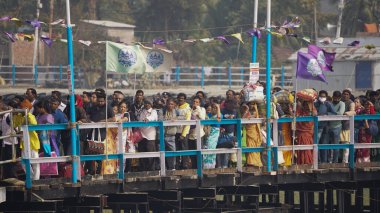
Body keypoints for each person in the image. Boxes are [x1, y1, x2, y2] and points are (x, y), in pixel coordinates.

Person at [11, 99, 40, 180]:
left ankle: (36, 179)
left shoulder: (31, 116)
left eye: (22, 108)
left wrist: (27, 114)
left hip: (32, 143)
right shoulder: (19, 116)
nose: (20, 109)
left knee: (35, 163)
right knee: (24, 162)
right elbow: (14, 124)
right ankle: (30, 177)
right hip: (24, 143)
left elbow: (34, 124)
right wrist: (16, 114)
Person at [314, 90, 336, 163]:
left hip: (325, 127)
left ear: (326, 97)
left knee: (324, 144)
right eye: (321, 96)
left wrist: (327, 114)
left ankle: (324, 161)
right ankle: (317, 161)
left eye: (323, 96)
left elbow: (334, 113)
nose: (322, 98)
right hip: (316, 127)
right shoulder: (315, 104)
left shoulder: (328, 104)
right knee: (316, 144)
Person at [138, 99, 158, 171]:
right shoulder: (142, 111)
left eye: (148, 103)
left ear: (151, 104)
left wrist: (147, 119)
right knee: (142, 153)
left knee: (151, 154)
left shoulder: (154, 111)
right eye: (145, 103)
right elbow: (139, 120)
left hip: (150, 136)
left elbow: (153, 118)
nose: (147, 104)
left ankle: (152, 170)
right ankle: (143, 169)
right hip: (142, 135)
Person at [296, 99, 317, 165]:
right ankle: (302, 162)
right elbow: (296, 117)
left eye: (308, 105)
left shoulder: (313, 110)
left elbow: (313, 118)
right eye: (305, 105)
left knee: (308, 148)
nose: (307, 106)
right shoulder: (300, 111)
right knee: (302, 148)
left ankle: (308, 162)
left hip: (308, 132)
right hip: (301, 131)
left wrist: (311, 112)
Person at [241, 101, 262, 167]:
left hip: (254, 132)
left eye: (253, 104)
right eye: (250, 104)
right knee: (249, 145)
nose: (251, 106)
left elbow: (251, 118)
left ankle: (255, 162)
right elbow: (242, 120)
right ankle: (250, 162)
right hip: (248, 132)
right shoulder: (247, 112)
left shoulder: (256, 113)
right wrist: (246, 110)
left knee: (254, 146)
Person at [188, 97, 206, 169]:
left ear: (199, 103)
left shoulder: (202, 109)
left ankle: (200, 168)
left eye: (197, 102)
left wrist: (197, 108)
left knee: (199, 153)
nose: (195, 103)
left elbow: (202, 118)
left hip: (199, 134)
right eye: (194, 102)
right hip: (190, 134)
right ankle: (194, 168)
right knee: (192, 153)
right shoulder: (190, 110)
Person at [160, 98, 178, 170]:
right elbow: (160, 119)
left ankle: (172, 167)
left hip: (171, 136)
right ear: (166, 104)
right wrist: (169, 120)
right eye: (169, 104)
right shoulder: (162, 110)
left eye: (172, 104)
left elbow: (183, 116)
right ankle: (163, 168)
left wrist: (176, 118)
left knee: (172, 152)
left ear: (174, 105)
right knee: (161, 152)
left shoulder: (176, 111)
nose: (170, 105)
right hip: (162, 135)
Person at [175, 93, 192, 169]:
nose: (180, 99)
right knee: (177, 149)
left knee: (184, 149)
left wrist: (183, 134)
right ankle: (177, 164)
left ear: (185, 99)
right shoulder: (176, 107)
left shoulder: (187, 109)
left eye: (182, 98)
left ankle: (185, 165)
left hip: (184, 133)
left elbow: (188, 123)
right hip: (176, 132)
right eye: (179, 98)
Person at [203, 103, 221, 169]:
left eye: (215, 108)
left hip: (214, 133)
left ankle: (211, 166)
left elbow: (218, 119)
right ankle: (205, 166)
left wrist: (218, 108)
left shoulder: (219, 114)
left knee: (211, 148)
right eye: (213, 108)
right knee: (206, 148)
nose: (214, 109)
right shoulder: (209, 115)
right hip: (207, 133)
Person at [329, 91, 345, 163]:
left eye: (338, 98)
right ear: (333, 97)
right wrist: (334, 113)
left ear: (340, 98)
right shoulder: (329, 103)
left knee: (336, 145)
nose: (336, 100)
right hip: (328, 126)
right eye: (335, 98)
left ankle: (335, 162)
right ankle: (328, 161)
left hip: (337, 127)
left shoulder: (342, 104)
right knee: (327, 145)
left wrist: (330, 113)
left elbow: (340, 113)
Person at [341, 89, 356, 163]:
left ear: (349, 95)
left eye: (347, 94)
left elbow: (353, 111)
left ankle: (345, 162)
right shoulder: (339, 101)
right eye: (344, 94)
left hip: (346, 128)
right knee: (335, 147)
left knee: (346, 148)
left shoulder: (351, 103)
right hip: (338, 127)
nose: (345, 95)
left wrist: (345, 114)